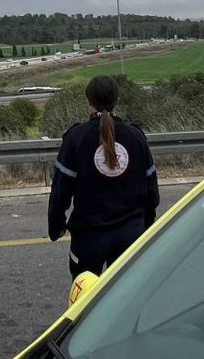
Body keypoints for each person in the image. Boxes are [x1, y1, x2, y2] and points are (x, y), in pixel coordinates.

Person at [48, 75, 158, 276]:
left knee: (84, 300)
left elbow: (61, 189)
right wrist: (146, 224)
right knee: (127, 298)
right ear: (117, 99)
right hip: (130, 235)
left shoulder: (75, 137)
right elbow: (151, 188)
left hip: (89, 238)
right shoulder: (136, 137)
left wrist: (56, 225)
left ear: (89, 100)